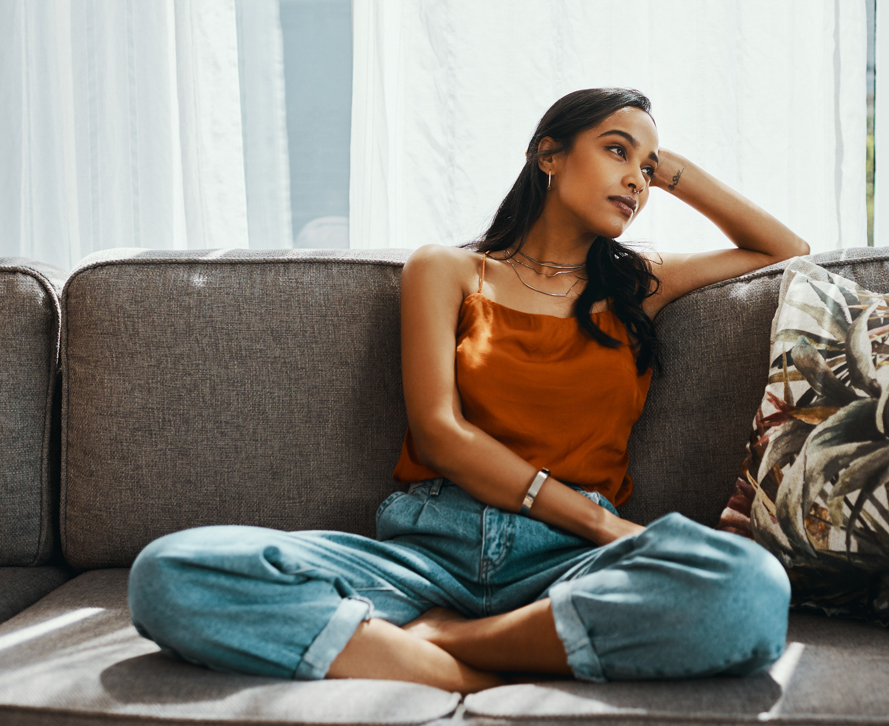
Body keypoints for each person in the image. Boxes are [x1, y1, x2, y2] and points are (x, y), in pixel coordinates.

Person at [128, 88, 809, 693]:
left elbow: (785, 247)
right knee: (170, 571)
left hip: (569, 567)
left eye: (648, 169)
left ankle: (451, 643)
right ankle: (489, 663)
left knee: (749, 590)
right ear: (548, 154)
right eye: (616, 151)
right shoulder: (448, 270)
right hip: (427, 552)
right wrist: (601, 521)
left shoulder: (639, 284)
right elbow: (440, 435)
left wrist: (672, 172)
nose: (636, 180)